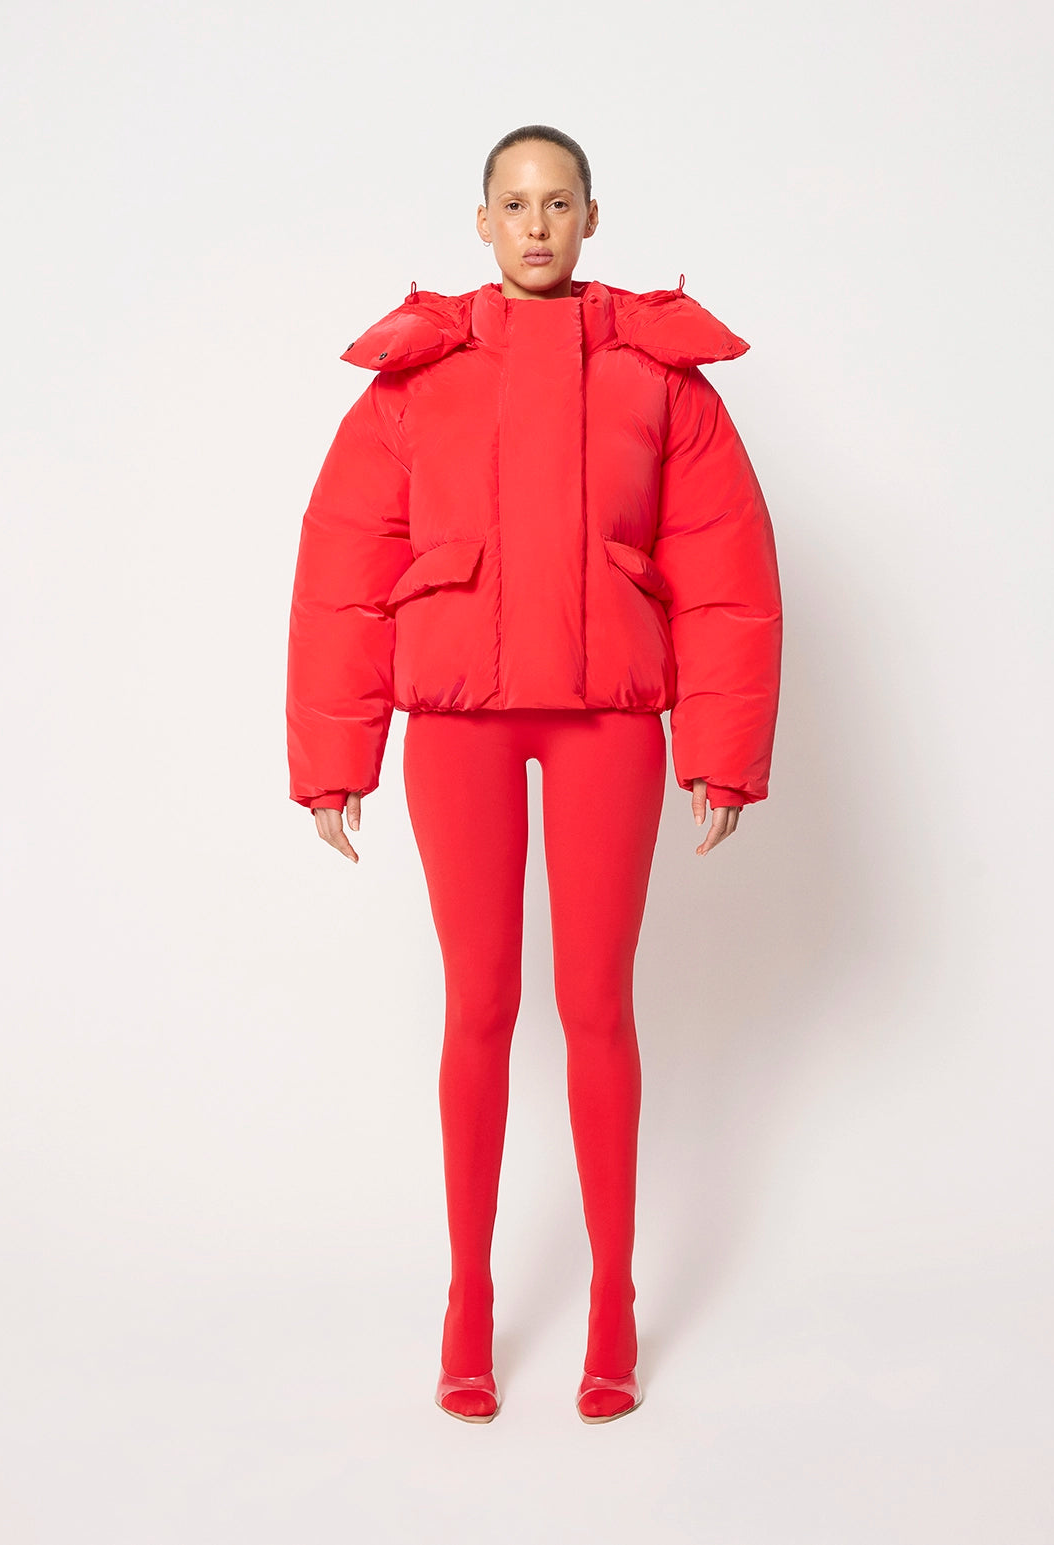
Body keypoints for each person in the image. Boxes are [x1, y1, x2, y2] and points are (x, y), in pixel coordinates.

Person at [285, 125, 783, 1424]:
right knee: (480, 1006)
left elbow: (724, 567)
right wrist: (336, 755)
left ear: (592, 217)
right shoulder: (417, 380)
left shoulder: (659, 379)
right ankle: (468, 1294)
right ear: (482, 222)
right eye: (515, 204)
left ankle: (613, 1297)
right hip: (459, 723)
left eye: (559, 203)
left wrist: (719, 750)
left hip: (608, 721)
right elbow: (345, 566)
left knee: (596, 1004)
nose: (538, 225)